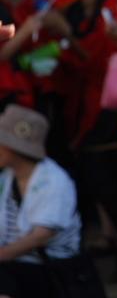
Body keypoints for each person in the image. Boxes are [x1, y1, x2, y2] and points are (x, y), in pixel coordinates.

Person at [0, 104, 82, 298]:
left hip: (48, 267)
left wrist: (1, 255)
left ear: (13, 149)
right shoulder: (8, 176)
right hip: (16, 263)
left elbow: (41, 236)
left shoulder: (54, 180)